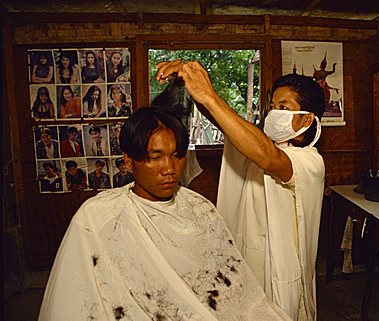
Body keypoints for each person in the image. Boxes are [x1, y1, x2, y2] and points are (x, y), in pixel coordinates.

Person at [38, 107, 290, 321]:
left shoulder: (200, 209)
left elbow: (234, 289)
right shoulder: (98, 217)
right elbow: (74, 301)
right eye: (154, 157)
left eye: (177, 156)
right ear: (127, 161)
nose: (169, 169)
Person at [157, 60, 326, 321]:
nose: (273, 113)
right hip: (247, 261)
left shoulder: (309, 162)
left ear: (305, 118)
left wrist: (210, 95)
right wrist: (192, 84)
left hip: (280, 272)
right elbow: (225, 123)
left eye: (284, 107)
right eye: (272, 107)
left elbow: (269, 159)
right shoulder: (257, 145)